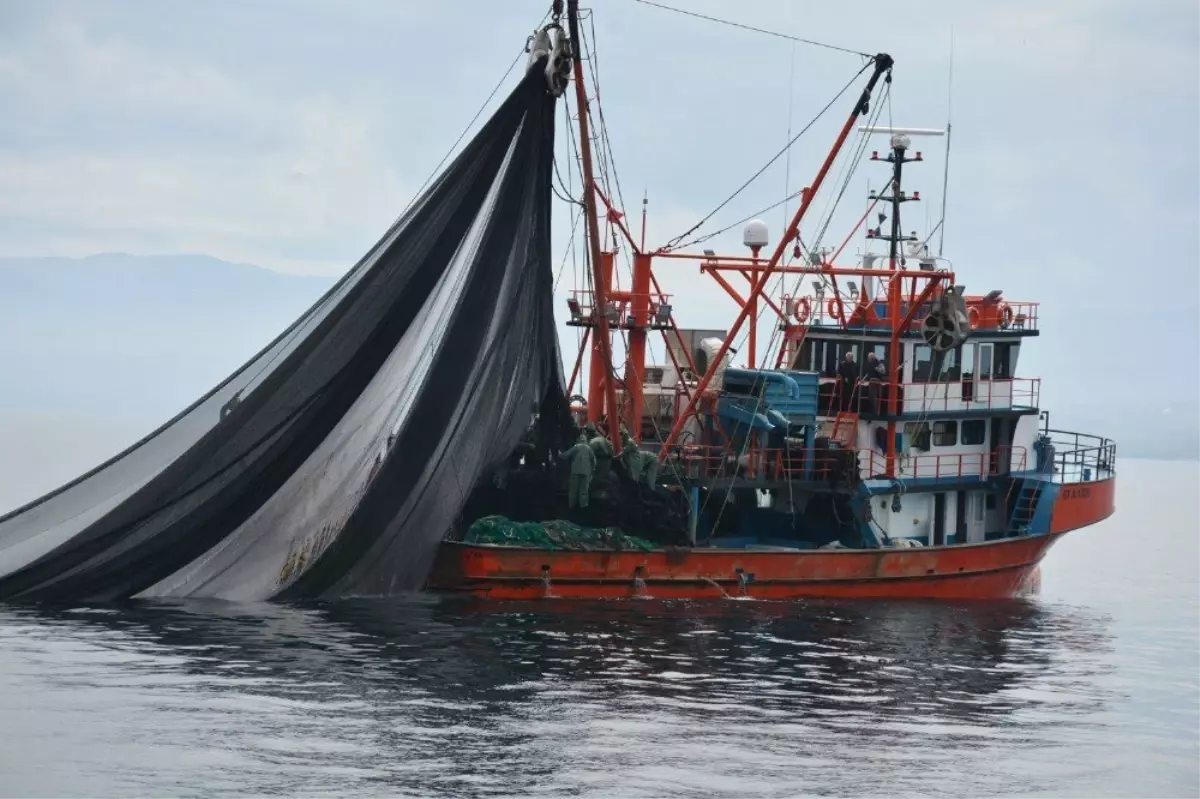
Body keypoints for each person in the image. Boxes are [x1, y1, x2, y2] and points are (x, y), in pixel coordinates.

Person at [558, 431, 596, 509]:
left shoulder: (576, 447)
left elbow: (566, 455)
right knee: (584, 491)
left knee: (573, 491)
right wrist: (592, 469)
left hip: (575, 472)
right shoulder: (589, 449)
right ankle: (583, 507)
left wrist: (559, 453)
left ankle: (572, 507)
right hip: (586, 472)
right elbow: (594, 460)